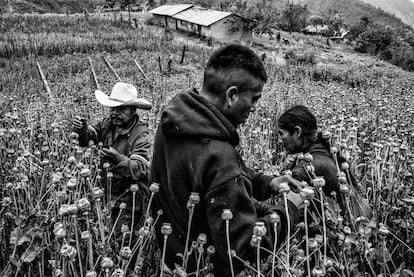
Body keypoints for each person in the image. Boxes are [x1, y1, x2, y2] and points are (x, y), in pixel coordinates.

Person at [151, 44, 304, 276]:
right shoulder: (221, 158)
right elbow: (243, 251)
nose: (254, 108)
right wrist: (289, 210)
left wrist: (265, 182)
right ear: (231, 95)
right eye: (253, 99)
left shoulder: (175, 122)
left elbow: (205, 171)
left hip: (171, 263)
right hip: (206, 269)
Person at [73, 81, 152, 235]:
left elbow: (141, 169)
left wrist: (118, 159)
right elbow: (90, 137)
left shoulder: (141, 134)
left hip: (130, 197)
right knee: (104, 233)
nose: (115, 113)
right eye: (113, 109)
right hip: (107, 191)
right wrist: (82, 130)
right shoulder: (108, 124)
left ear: (133, 110)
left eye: (121, 110)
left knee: (122, 238)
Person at [277, 105, 342, 204]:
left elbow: (288, 210)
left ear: (297, 132)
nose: (279, 141)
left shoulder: (304, 171)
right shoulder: (328, 152)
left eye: (281, 134)